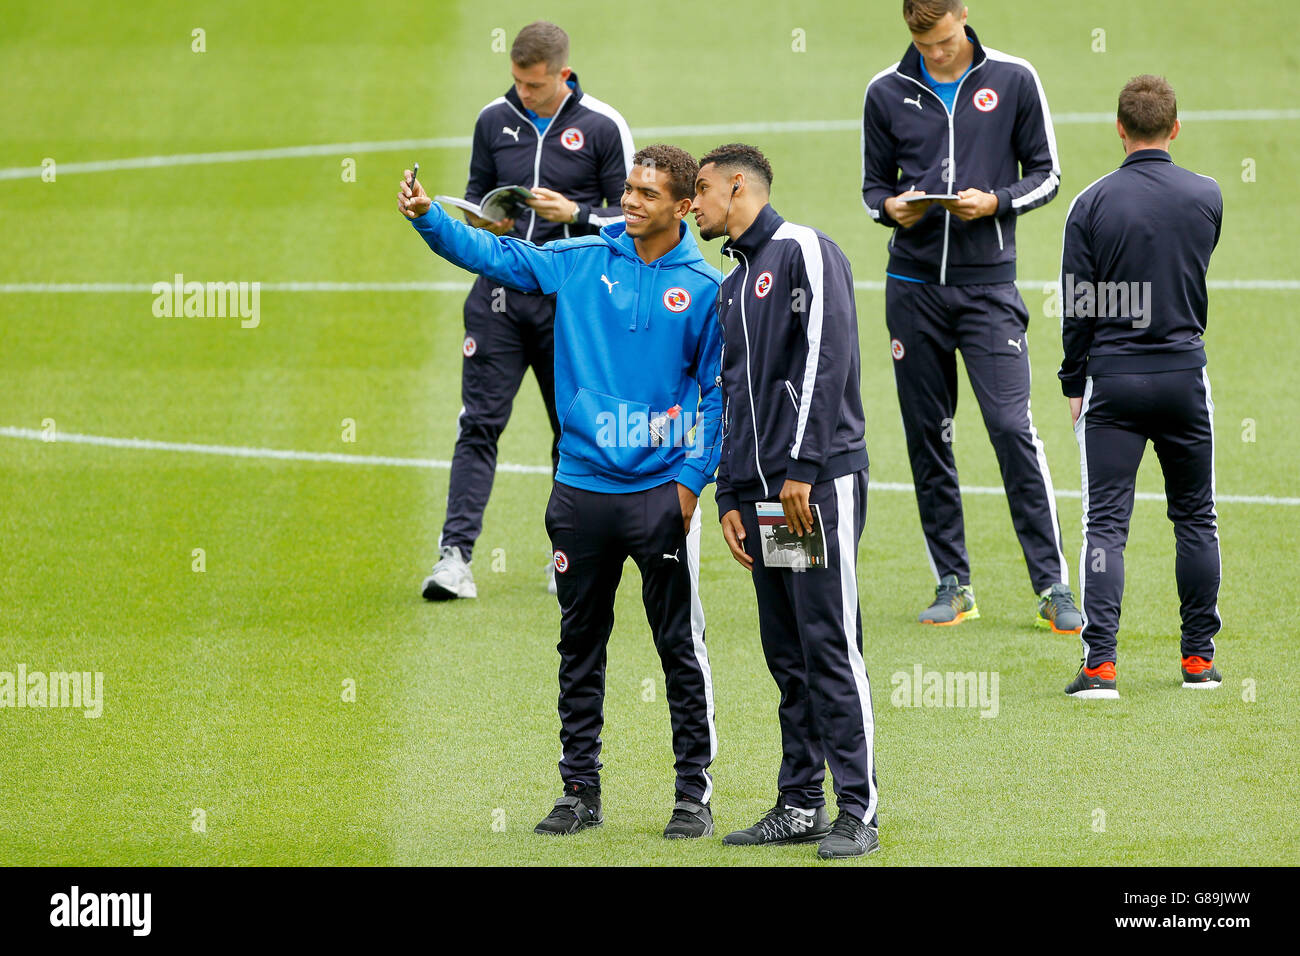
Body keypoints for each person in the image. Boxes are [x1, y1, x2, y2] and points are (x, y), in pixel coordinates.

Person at [399, 144, 724, 838]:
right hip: (580, 494)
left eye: (646, 194)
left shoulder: (701, 288)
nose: (630, 201)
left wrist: (692, 483)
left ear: (684, 207)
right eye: (630, 190)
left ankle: (691, 794)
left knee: (678, 648)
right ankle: (580, 791)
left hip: (660, 497)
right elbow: (501, 259)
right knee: (579, 646)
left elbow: (719, 394)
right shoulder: (580, 259)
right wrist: (429, 218)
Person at [861, 0, 1083, 632]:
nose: (934, 53)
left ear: (964, 15)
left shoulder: (1014, 78)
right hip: (912, 290)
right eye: (922, 41)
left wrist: (997, 202)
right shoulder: (885, 90)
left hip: (989, 292)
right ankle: (952, 583)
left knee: (1013, 430)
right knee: (928, 434)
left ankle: (1053, 587)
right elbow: (872, 187)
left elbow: (1047, 175)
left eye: (944, 39)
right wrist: (891, 209)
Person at [692, 144, 879, 859]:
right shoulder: (733, 284)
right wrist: (734, 493)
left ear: (739, 186)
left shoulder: (805, 250)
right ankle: (800, 802)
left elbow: (827, 356)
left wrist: (801, 467)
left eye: (702, 191)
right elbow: (734, 392)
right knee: (789, 650)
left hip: (816, 486)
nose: (695, 205)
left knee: (831, 642)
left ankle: (858, 809)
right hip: (768, 496)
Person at [421, 20, 635, 601]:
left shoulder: (603, 127)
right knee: (479, 425)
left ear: (563, 75)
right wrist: (488, 221)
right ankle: (454, 559)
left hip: (570, 305)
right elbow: (476, 194)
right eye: (516, 82)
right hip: (497, 300)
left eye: (534, 86)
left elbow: (637, 223)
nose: (523, 94)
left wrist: (577, 215)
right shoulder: (494, 120)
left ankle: (565, 554)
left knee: (572, 431)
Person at [1058, 75, 1224, 699]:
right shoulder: (1207, 195)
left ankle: (1100, 667)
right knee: (1196, 518)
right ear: (1175, 128)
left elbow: (1078, 303)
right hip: (1184, 376)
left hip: (1114, 382)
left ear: (1120, 129)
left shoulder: (1092, 203)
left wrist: (1075, 378)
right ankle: (1198, 662)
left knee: (1105, 525)